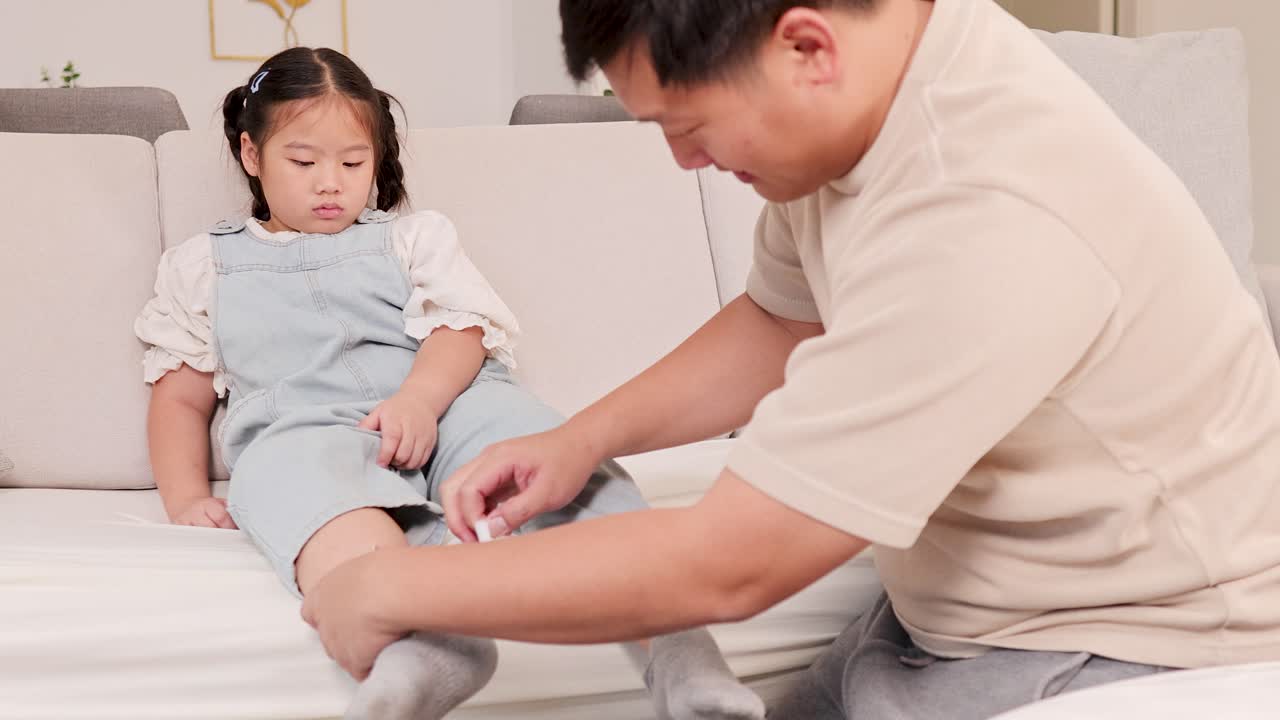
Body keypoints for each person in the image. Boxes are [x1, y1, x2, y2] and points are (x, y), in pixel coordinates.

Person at [301, 1, 1280, 718]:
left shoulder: (985, 210)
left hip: (1115, 650)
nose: (683, 164)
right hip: (944, 615)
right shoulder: (881, 84)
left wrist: (382, 584)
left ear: (806, 46)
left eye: (685, 128)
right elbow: (779, 321)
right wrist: (577, 438)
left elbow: (731, 565)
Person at [136, 45, 764, 720]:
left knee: (549, 455)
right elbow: (180, 393)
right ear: (252, 155)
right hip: (306, 426)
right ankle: (425, 650)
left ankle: (682, 658)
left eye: (352, 164)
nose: (330, 184)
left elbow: (460, 330)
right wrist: (186, 496)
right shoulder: (203, 264)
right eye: (304, 162)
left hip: (450, 400)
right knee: (307, 497)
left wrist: (420, 401)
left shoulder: (412, 239)